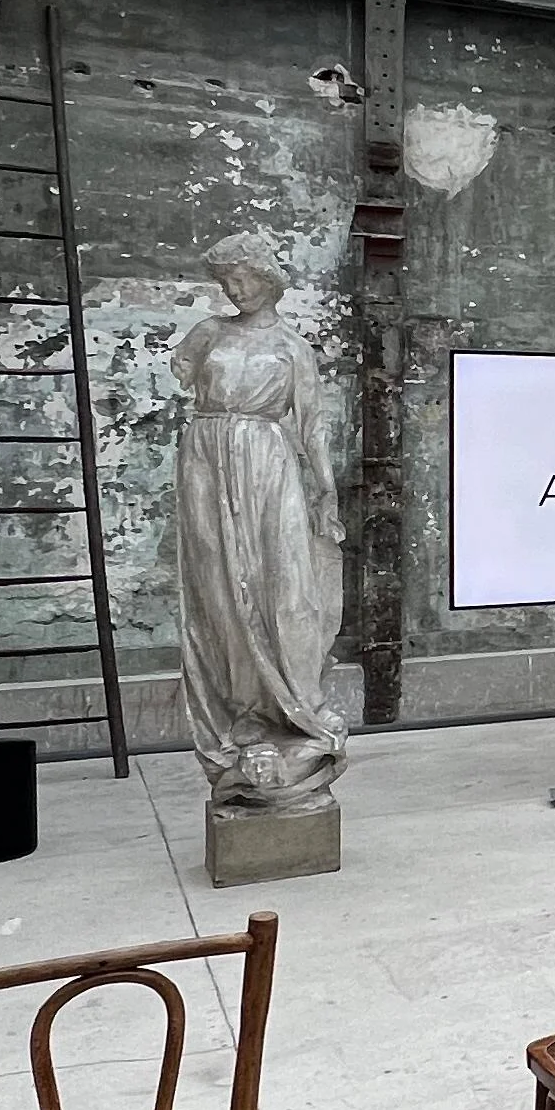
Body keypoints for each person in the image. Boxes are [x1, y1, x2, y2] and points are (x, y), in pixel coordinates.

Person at [175, 229, 348, 812]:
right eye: (227, 280)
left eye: (244, 276)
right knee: (219, 593)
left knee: (283, 585)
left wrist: (326, 494)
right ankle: (242, 714)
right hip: (206, 459)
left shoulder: (293, 348)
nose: (236, 288)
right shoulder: (207, 334)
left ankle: (294, 705)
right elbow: (185, 374)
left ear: (269, 279)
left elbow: (313, 426)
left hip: (268, 465)